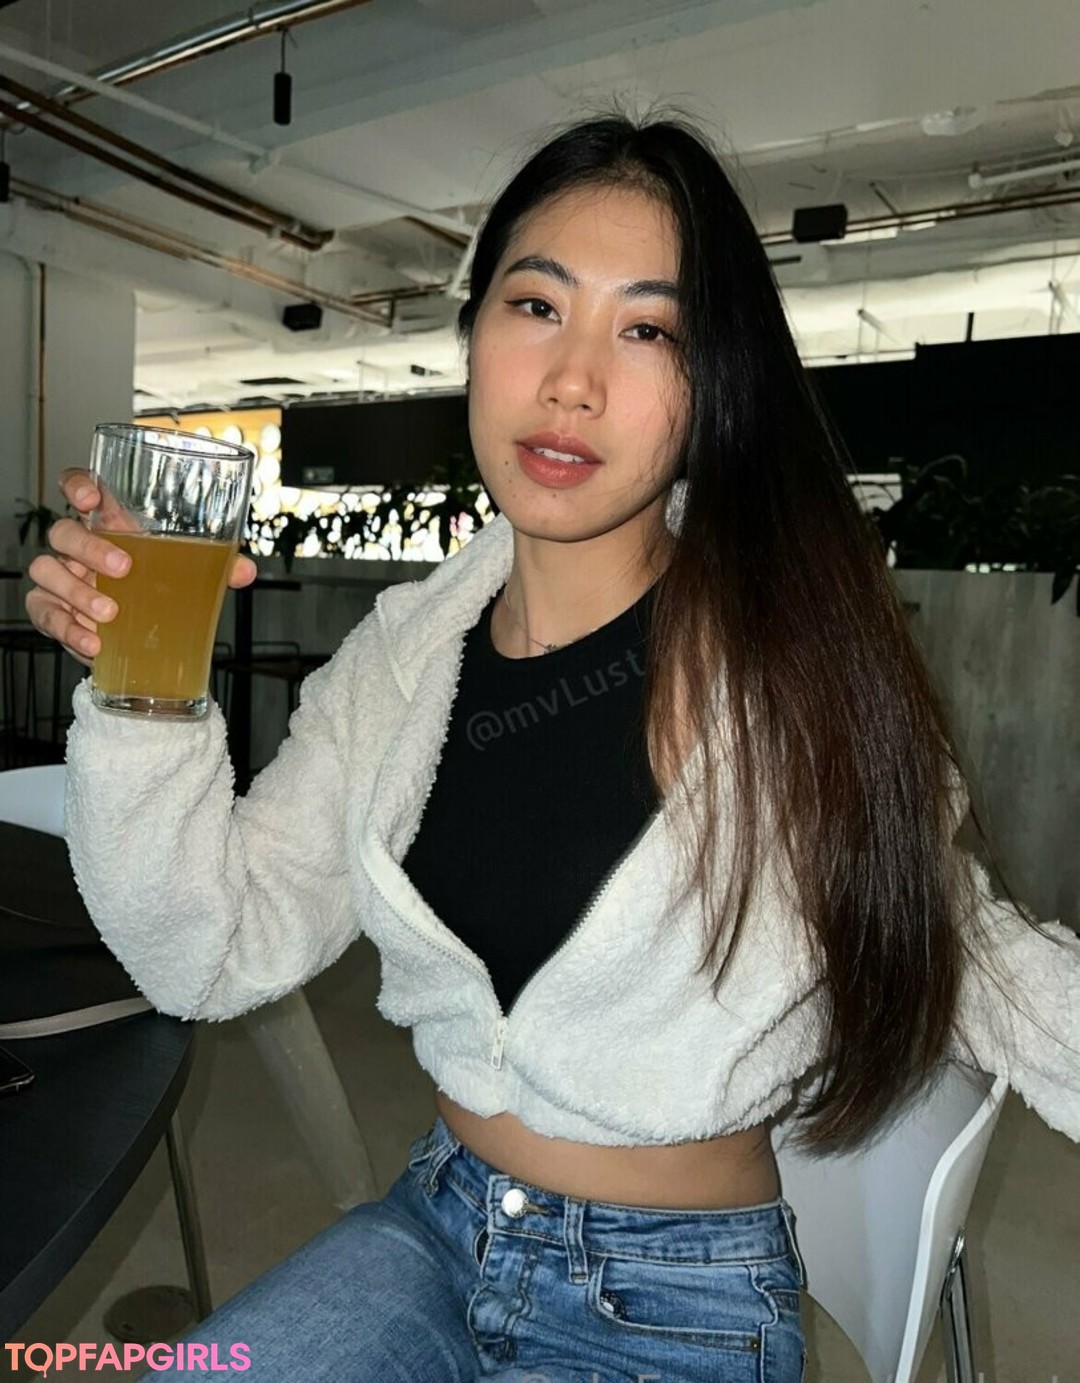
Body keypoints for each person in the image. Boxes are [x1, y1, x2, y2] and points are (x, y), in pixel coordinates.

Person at [26, 111, 1080, 1383]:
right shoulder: (401, 663)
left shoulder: (788, 674)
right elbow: (208, 950)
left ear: (711, 387)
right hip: (434, 1226)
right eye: (537, 306)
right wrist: (142, 702)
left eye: (648, 331)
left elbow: (980, 960)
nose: (574, 379)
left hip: (677, 1301)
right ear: (474, 333)